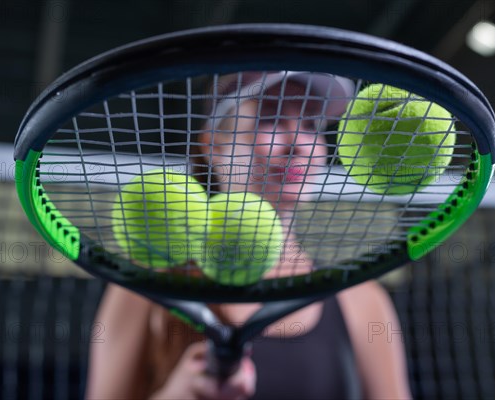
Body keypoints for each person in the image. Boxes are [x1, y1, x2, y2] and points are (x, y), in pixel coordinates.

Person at [86, 71, 412, 400]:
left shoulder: (363, 301)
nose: (298, 144)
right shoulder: (143, 285)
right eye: (270, 119)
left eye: (311, 124)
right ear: (213, 147)